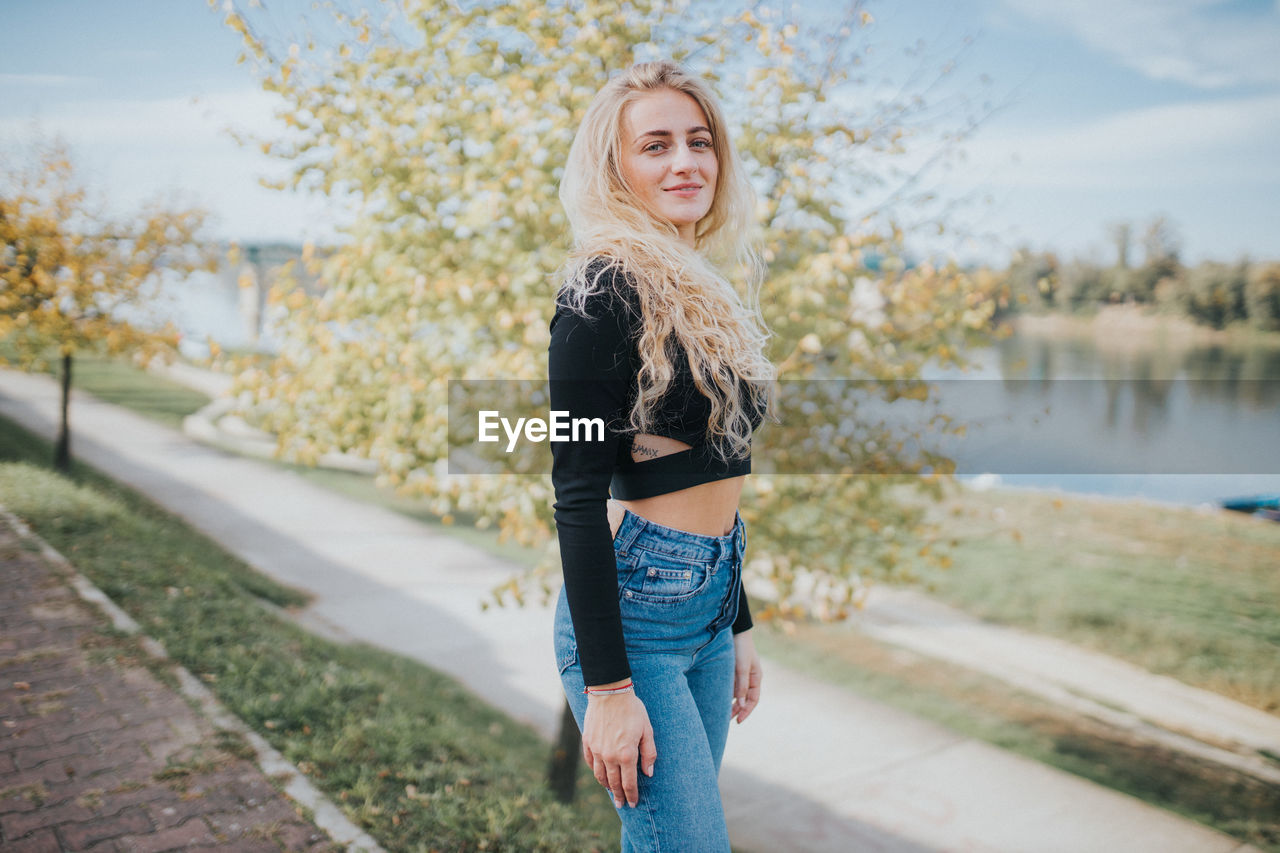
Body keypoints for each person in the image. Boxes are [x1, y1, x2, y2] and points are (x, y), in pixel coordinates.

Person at [547, 59, 776, 851]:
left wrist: (735, 618)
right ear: (618, 170)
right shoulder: (602, 292)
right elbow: (576, 496)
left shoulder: (703, 288)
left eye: (699, 141)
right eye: (656, 146)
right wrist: (609, 690)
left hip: (707, 601)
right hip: (634, 617)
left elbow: (717, 466)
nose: (686, 162)